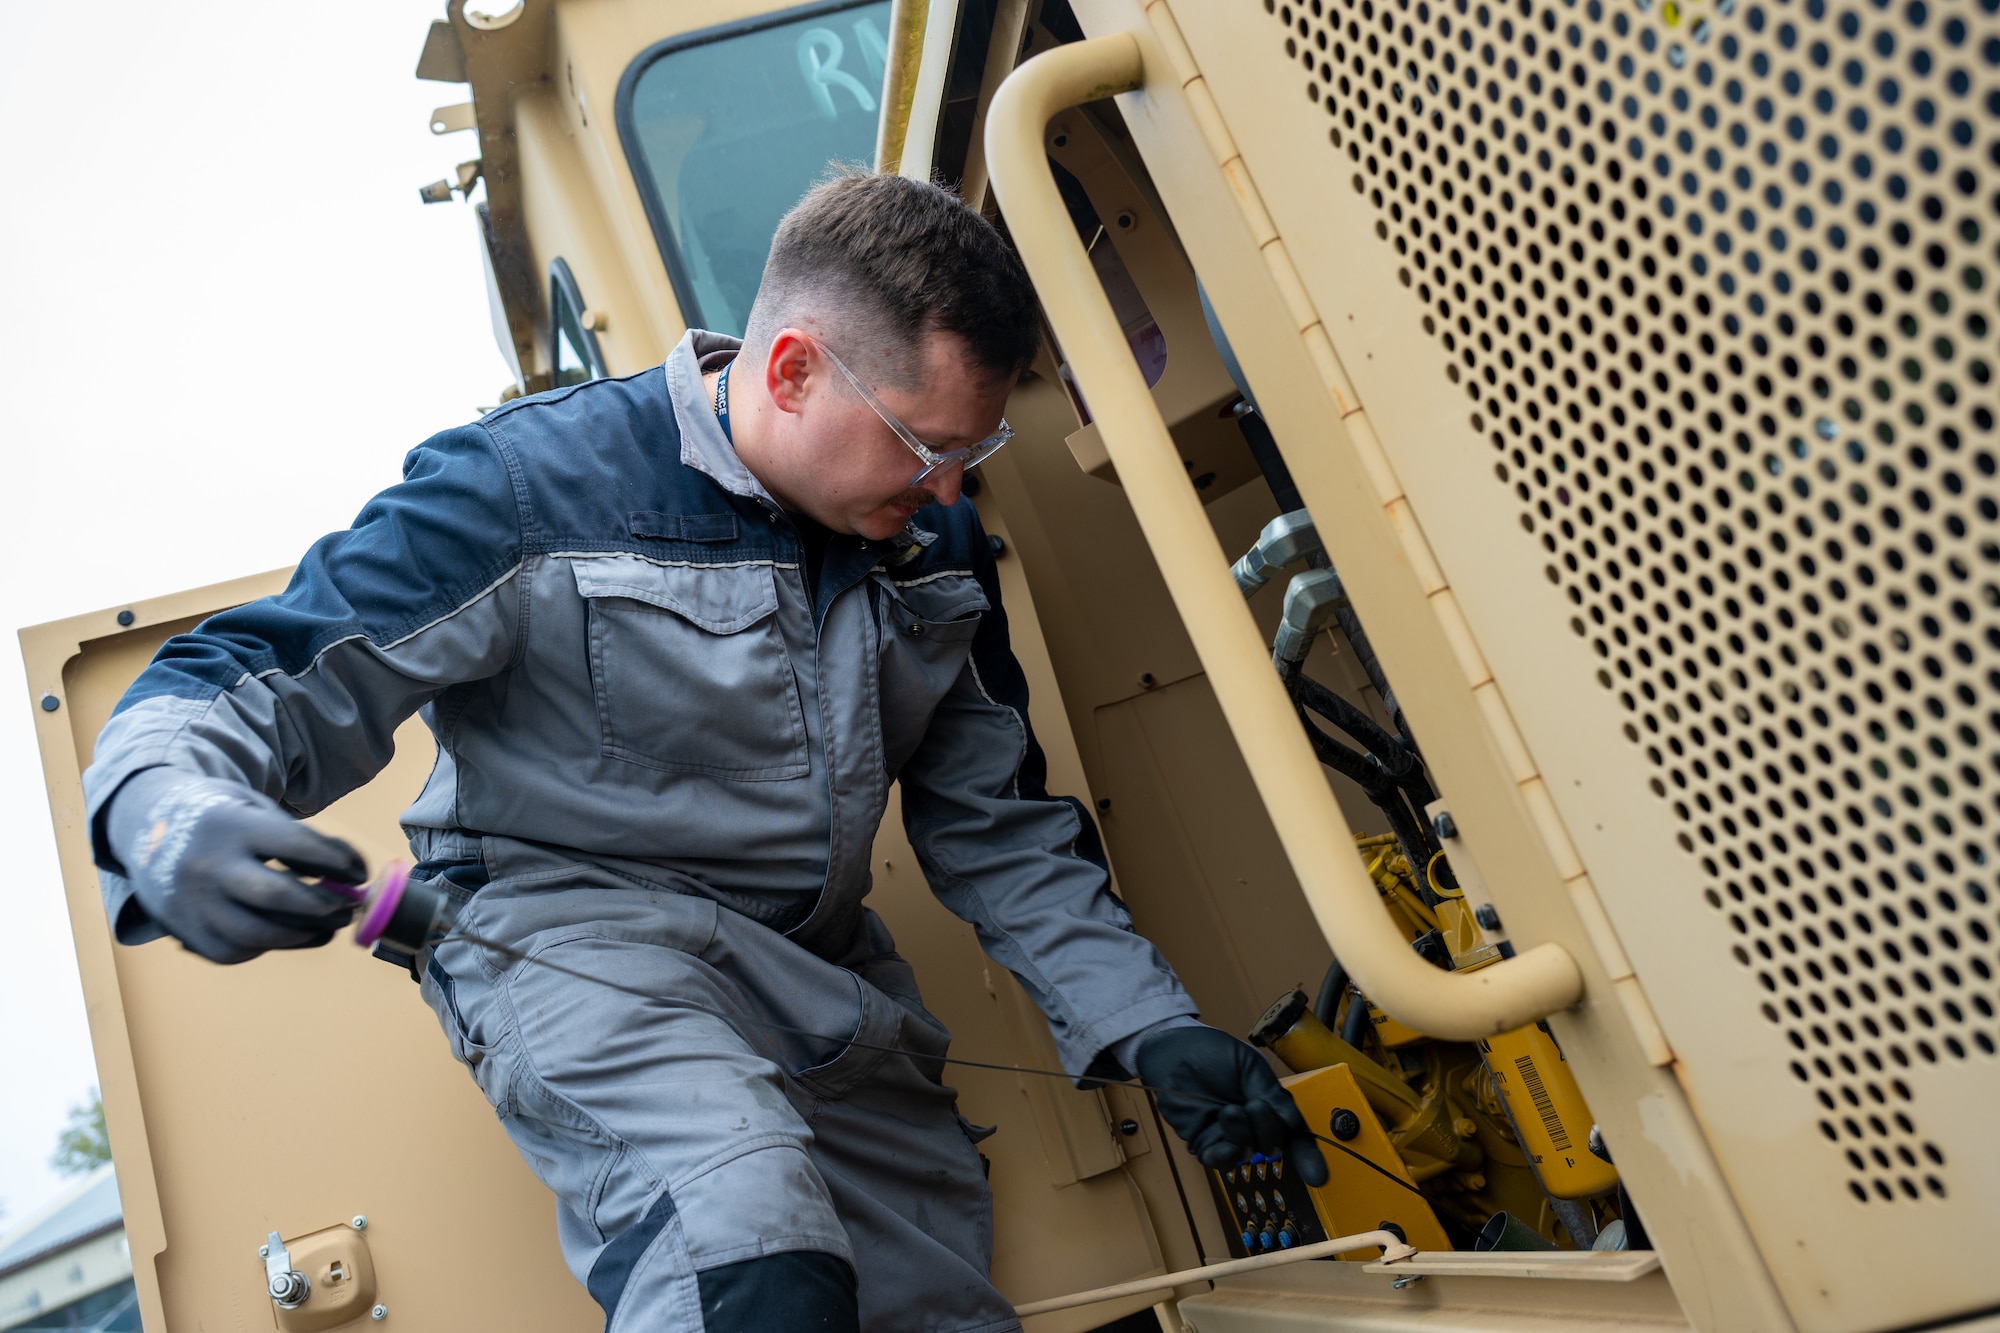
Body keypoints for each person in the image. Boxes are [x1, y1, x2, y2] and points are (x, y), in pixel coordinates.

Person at [82, 172, 1327, 1332]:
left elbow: (998, 828)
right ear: (792, 370)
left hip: (813, 981)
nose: (947, 489)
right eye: (920, 445)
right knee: (747, 1247)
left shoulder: (930, 558)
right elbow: (244, 683)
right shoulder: (531, 490)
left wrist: (1147, 1026)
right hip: (569, 943)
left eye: (970, 453)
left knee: (928, 1307)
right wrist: (168, 816)